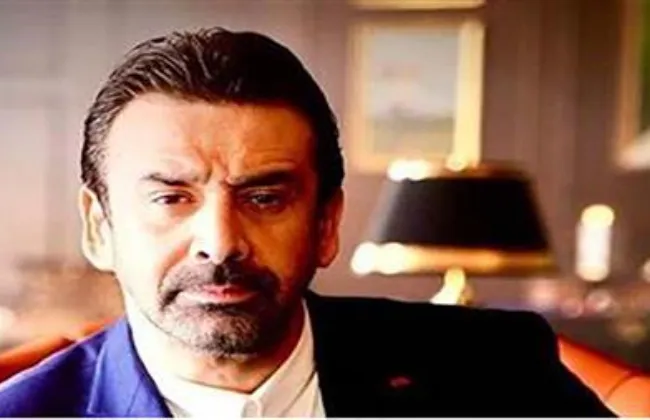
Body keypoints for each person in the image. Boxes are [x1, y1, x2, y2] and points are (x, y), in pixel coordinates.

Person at [0, 27, 615, 417]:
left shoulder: (495, 370)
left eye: (265, 198)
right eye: (171, 198)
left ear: (326, 224)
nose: (220, 243)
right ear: (99, 227)